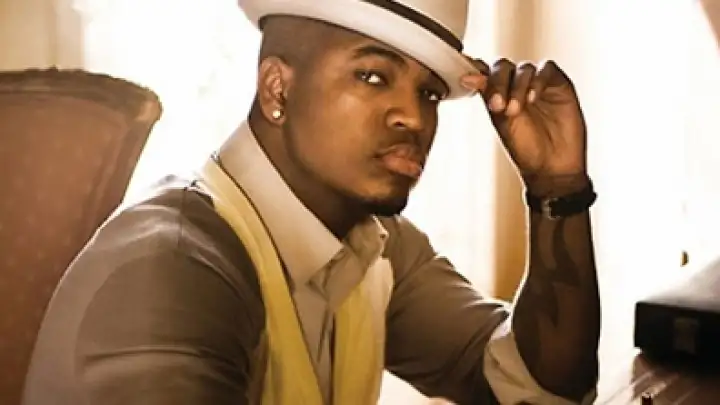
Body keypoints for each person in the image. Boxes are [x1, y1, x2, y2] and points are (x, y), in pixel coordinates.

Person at [22, 0, 601, 404]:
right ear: (277, 88)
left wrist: (557, 188)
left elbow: (533, 386)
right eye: (373, 76)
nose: (414, 116)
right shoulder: (170, 268)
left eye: (428, 92)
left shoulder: (377, 246)